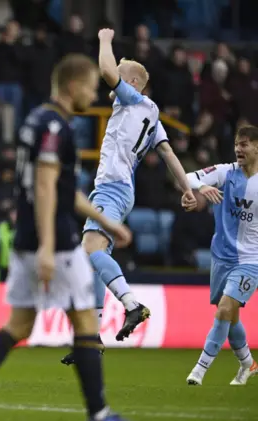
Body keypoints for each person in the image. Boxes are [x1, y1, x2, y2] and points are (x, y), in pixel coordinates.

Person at [0, 53, 132, 421]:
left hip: (28, 237)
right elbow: (46, 188)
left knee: (20, 325)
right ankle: (100, 412)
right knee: (86, 323)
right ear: (73, 86)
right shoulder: (57, 128)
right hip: (55, 241)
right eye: (92, 88)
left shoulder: (35, 121)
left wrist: (104, 221)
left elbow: (61, 188)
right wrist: (48, 247)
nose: (94, 96)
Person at [76, 28, 195, 347]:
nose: (114, 74)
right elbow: (168, 153)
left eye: (121, 72)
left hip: (112, 187)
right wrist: (187, 189)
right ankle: (93, 335)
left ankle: (131, 305)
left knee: (90, 249)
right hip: (123, 189)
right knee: (95, 256)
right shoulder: (153, 114)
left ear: (130, 84)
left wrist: (103, 40)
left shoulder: (132, 100)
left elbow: (104, 70)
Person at [184, 125, 258, 386]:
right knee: (230, 313)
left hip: (251, 261)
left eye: (246, 144)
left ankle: (199, 369)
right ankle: (248, 363)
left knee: (226, 307)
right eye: (238, 143)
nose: (239, 148)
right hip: (221, 257)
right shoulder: (226, 172)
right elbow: (188, 175)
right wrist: (202, 188)